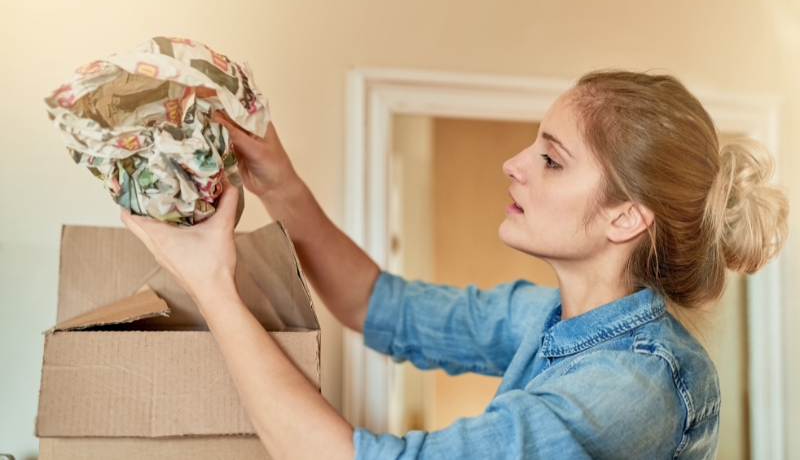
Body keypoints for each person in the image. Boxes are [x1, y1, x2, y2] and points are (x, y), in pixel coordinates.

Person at [121, 70, 788, 460]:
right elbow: (377, 304)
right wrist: (281, 186)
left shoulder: (634, 387)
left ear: (625, 217)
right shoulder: (548, 317)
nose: (515, 164)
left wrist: (211, 283)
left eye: (551, 160)